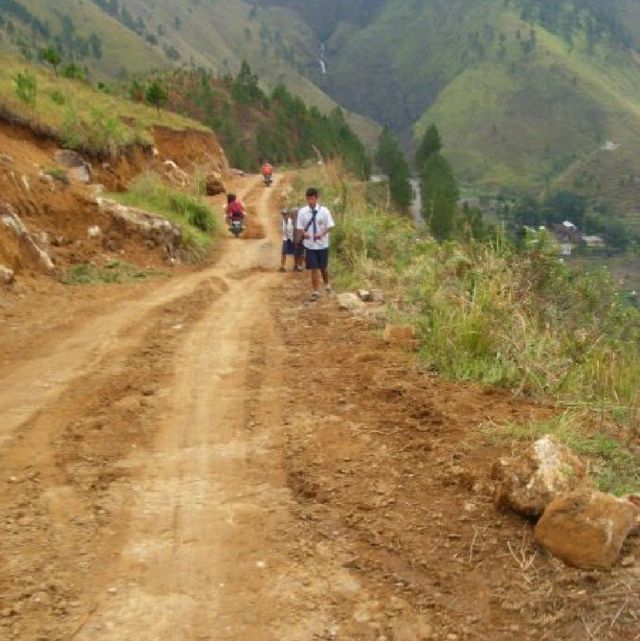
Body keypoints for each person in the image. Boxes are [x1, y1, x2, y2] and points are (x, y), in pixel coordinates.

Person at [296, 187, 335, 300]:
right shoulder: (302, 212)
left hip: (322, 244)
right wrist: (304, 233)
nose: (310, 201)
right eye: (308, 199)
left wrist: (321, 234)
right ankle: (315, 291)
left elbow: (330, 226)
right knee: (314, 268)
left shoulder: (324, 211)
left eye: (312, 199)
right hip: (310, 245)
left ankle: (327, 283)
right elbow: (300, 227)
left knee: (323, 267)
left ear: (316, 199)